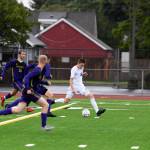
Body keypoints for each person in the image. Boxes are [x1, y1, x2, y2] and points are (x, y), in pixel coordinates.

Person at [0, 55, 53, 131]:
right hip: (30, 92)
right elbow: (26, 78)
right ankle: (44, 126)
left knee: (18, 109)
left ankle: (44, 126)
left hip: (29, 92)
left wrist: (45, 82)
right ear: (45, 61)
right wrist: (28, 88)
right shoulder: (37, 70)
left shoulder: (40, 70)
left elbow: (35, 81)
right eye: (47, 61)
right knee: (46, 105)